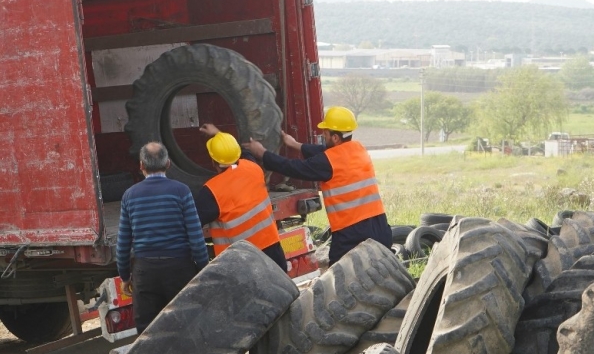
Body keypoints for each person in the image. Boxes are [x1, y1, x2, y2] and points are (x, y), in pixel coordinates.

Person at [245, 106, 392, 266]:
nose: (323, 135)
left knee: (341, 279)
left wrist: (262, 153)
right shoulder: (358, 149)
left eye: (326, 133)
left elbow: (292, 167)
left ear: (335, 138)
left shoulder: (327, 162)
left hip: (351, 233)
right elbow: (325, 152)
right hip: (379, 227)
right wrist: (296, 145)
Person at [116, 142, 209, 334]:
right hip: (180, 269)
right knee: (186, 328)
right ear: (168, 163)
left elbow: (123, 242)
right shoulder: (181, 191)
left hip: (145, 273)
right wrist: (203, 267)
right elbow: (196, 236)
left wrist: (125, 276)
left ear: (141, 165)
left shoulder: (129, 196)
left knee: (148, 333)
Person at [195, 124, 287, 272]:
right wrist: (218, 133)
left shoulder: (211, 191)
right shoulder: (253, 168)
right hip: (272, 251)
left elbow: (192, 223)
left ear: (213, 161)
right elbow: (241, 153)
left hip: (240, 262)